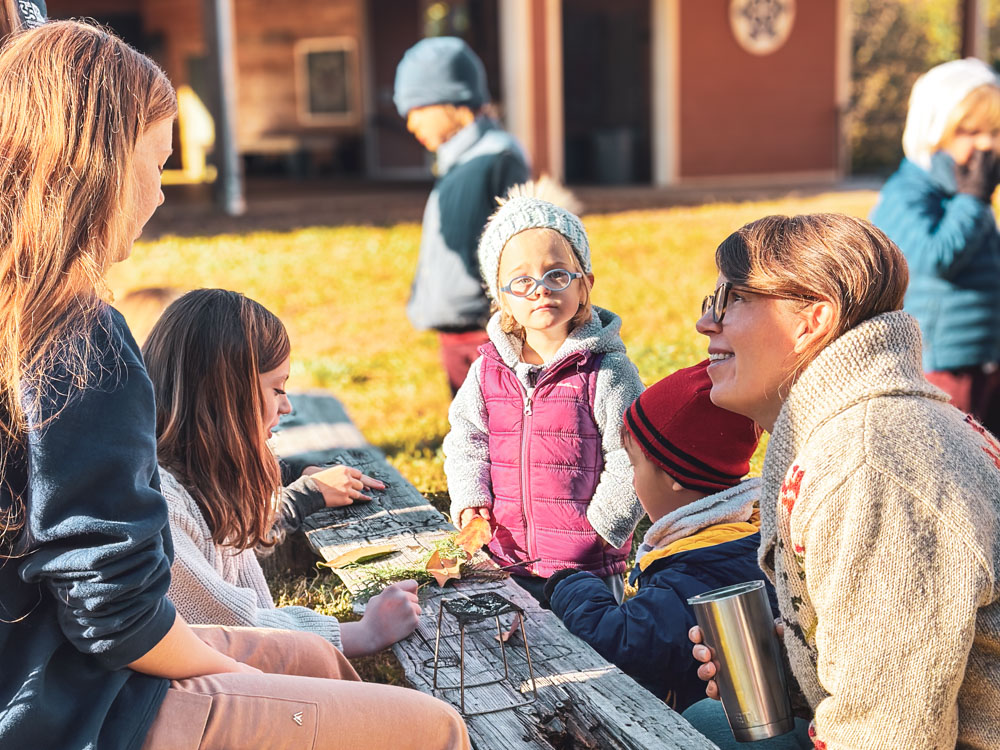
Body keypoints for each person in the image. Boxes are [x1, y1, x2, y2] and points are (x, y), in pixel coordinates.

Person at [0, 21, 469, 750]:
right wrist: (235, 674)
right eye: (154, 164)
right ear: (96, 165)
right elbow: (116, 614)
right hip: (81, 709)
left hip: (45, 676)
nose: (159, 193)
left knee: (315, 654)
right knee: (435, 729)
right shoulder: (79, 337)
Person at [686, 214, 1000, 749]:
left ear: (813, 319)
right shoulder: (865, 432)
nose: (707, 323)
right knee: (705, 721)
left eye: (733, 297)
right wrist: (792, 669)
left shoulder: (871, 464)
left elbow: (893, 733)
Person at [143, 288, 419, 656]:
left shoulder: (196, 477)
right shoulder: (161, 506)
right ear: (227, 399)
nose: (287, 405)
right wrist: (362, 633)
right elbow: (234, 629)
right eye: (276, 389)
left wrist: (289, 474)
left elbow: (250, 601)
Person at [540, 359, 785, 714]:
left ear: (674, 477)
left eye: (635, 465)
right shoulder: (746, 532)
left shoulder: (696, 569)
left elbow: (622, 642)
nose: (633, 479)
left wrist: (570, 583)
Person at [444, 182, 645, 604]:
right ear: (501, 298)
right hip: (506, 558)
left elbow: (633, 457)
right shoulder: (487, 372)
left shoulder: (606, 372)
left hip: (584, 570)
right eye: (521, 281)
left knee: (594, 659)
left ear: (584, 284)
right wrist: (470, 501)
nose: (541, 288)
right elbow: (467, 442)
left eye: (557, 274)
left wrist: (601, 529)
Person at [393, 36, 530, 395]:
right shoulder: (457, 161)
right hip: (456, 333)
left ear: (451, 102)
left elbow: (522, 248)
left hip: (485, 332)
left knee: (496, 428)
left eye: (417, 110)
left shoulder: (496, 159)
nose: (410, 125)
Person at [870, 58, 1000, 434]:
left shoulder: (959, 193)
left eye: (994, 132)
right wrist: (973, 200)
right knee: (958, 457)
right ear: (933, 130)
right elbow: (934, 258)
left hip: (982, 356)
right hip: (939, 363)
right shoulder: (908, 193)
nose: (986, 145)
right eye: (969, 131)